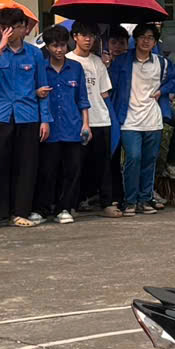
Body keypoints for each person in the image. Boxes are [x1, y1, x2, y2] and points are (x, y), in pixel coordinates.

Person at [0, 11, 44, 229]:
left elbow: (42, 87)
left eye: (18, 27)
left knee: (25, 165)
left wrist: (46, 120)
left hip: (28, 115)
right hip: (0, 114)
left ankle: (20, 212)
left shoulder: (34, 54)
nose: (14, 31)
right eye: (8, 27)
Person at [108, 23, 175, 216]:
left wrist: (163, 90)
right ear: (135, 39)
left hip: (153, 119)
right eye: (143, 37)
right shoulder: (122, 61)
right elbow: (110, 83)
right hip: (129, 120)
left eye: (151, 38)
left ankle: (145, 199)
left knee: (149, 160)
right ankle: (130, 200)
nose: (146, 41)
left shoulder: (161, 63)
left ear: (155, 42)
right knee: (133, 157)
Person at [33, 24, 87, 225]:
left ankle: (65, 208)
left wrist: (86, 125)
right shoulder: (41, 68)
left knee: (71, 171)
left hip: (73, 127)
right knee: (47, 171)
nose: (59, 50)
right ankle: (42, 208)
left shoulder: (76, 67)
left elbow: (82, 98)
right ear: (47, 47)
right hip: (49, 127)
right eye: (54, 46)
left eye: (63, 45)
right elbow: (33, 94)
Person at [70, 25, 116, 214]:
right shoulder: (68, 61)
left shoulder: (98, 62)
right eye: (84, 35)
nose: (88, 39)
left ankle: (107, 203)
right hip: (77, 122)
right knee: (75, 165)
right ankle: (72, 202)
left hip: (100, 119)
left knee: (103, 165)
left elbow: (104, 93)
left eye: (91, 36)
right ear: (75, 37)